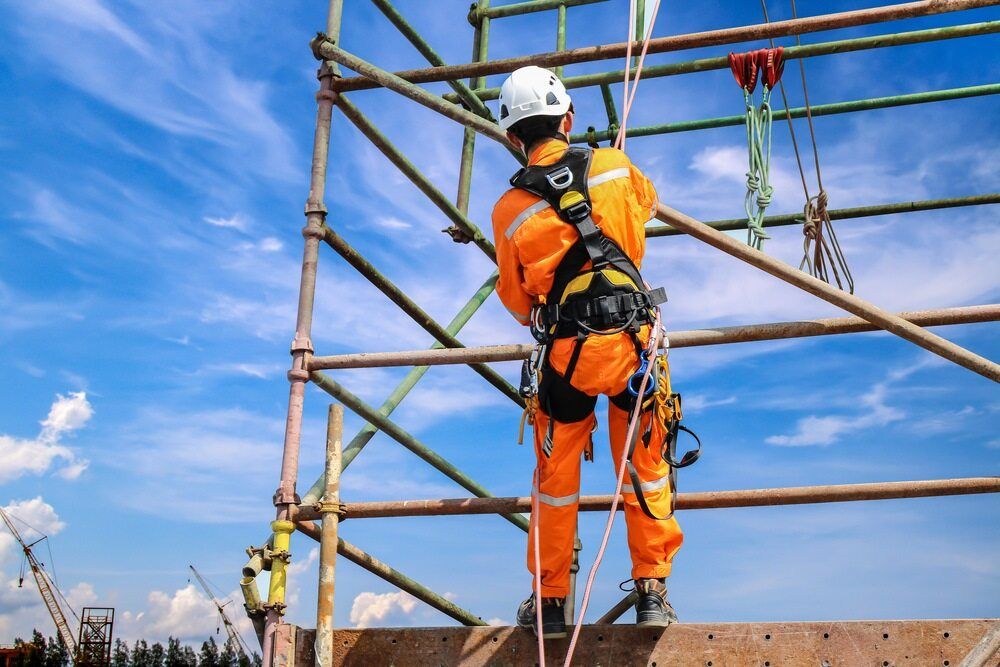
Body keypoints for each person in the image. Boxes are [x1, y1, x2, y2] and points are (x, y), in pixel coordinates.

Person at [491, 66, 683, 638]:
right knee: (645, 468)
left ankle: (550, 602)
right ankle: (651, 590)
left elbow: (517, 301)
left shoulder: (510, 210)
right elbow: (646, 209)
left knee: (555, 482)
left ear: (512, 137)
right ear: (568, 119)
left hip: (567, 358)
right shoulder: (615, 167)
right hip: (634, 349)